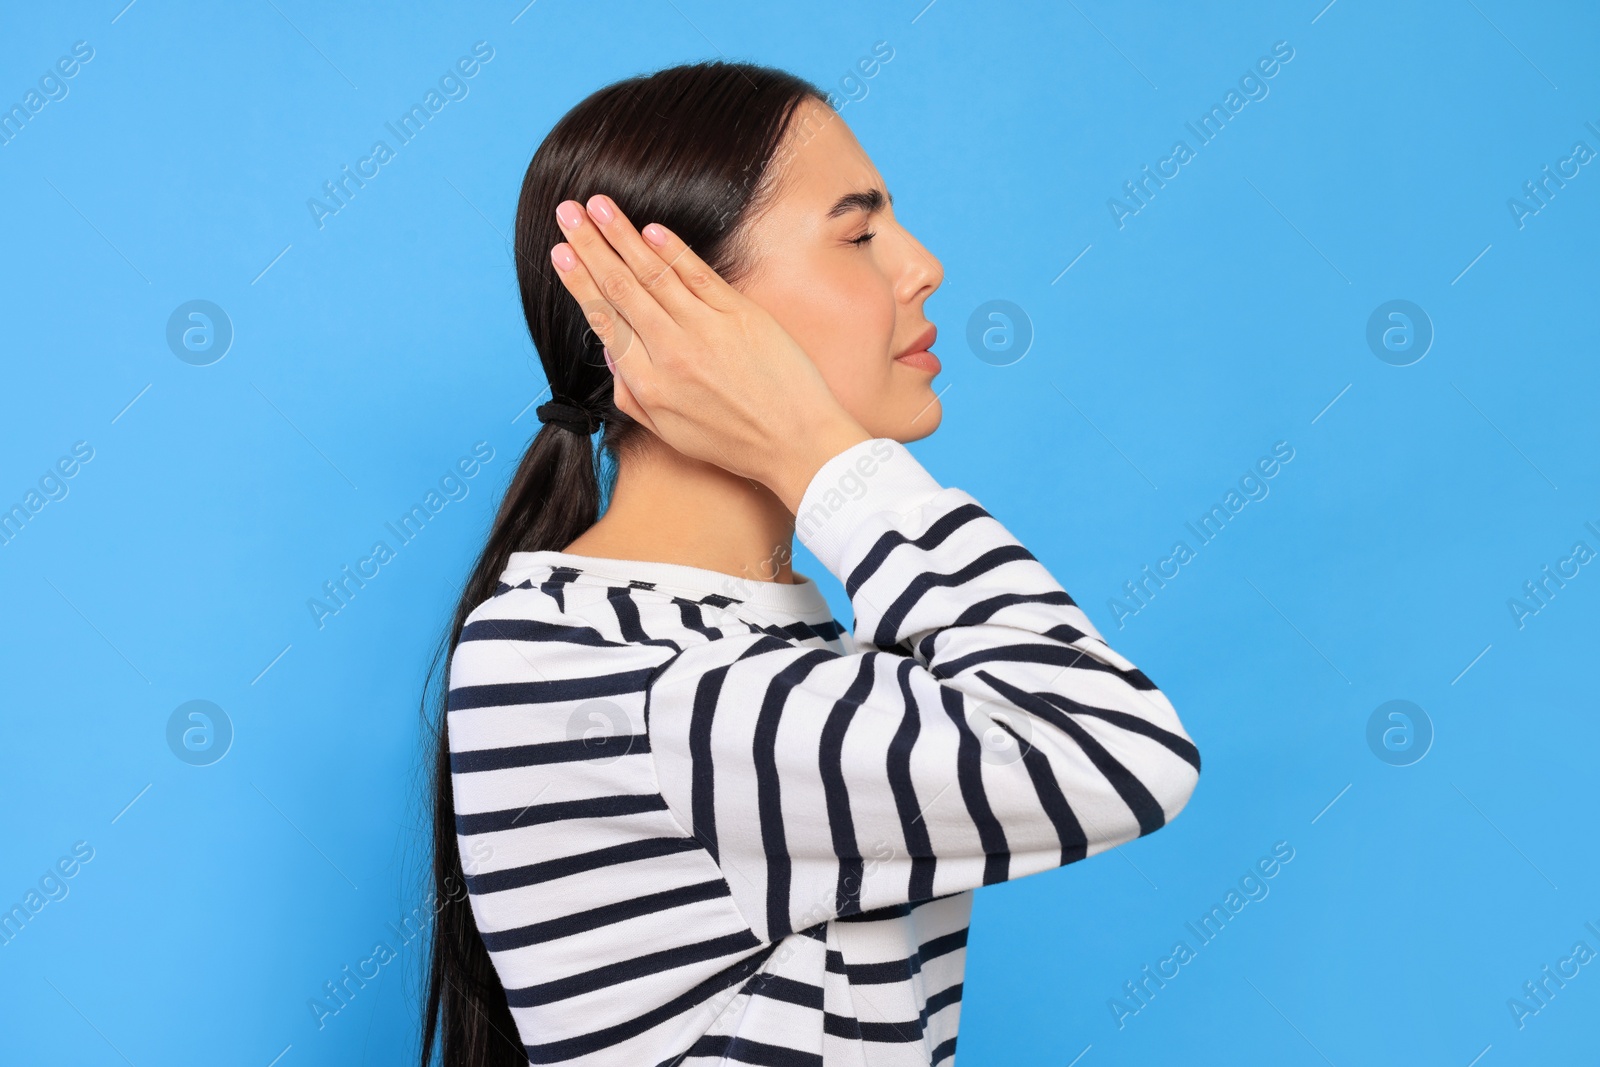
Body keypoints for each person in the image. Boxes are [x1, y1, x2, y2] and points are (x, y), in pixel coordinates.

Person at [419, 60, 1201, 1067]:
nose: (922, 267)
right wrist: (819, 453)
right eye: (858, 231)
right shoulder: (607, 670)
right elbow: (1111, 748)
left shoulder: (761, 645)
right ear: (683, 306)